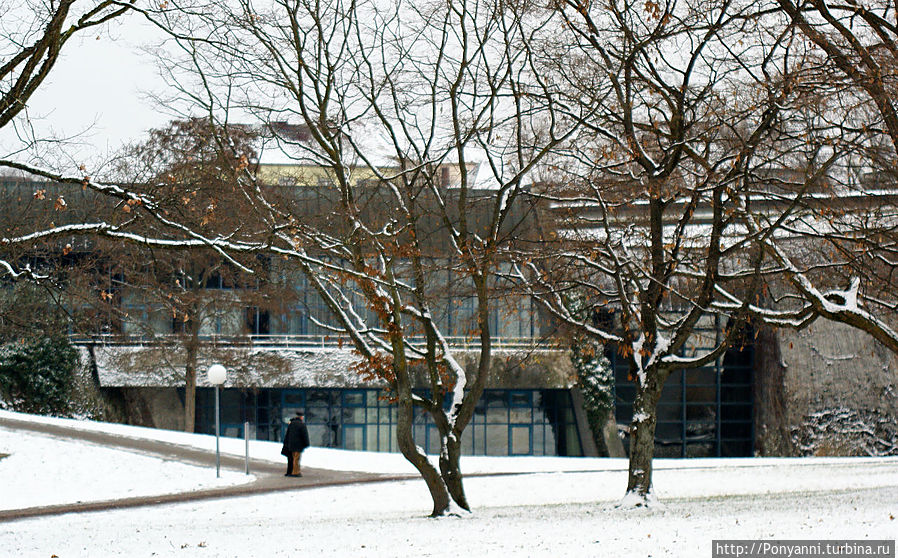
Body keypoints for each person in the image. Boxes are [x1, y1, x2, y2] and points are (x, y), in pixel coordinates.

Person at [281, 411, 310, 477]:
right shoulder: (301, 425)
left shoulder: (291, 424)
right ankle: (295, 472)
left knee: (292, 458)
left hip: (291, 445)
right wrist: (306, 444)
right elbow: (304, 435)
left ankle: (291, 472)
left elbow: (287, 435)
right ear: (301, 417)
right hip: (298, 445)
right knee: (296, 459)